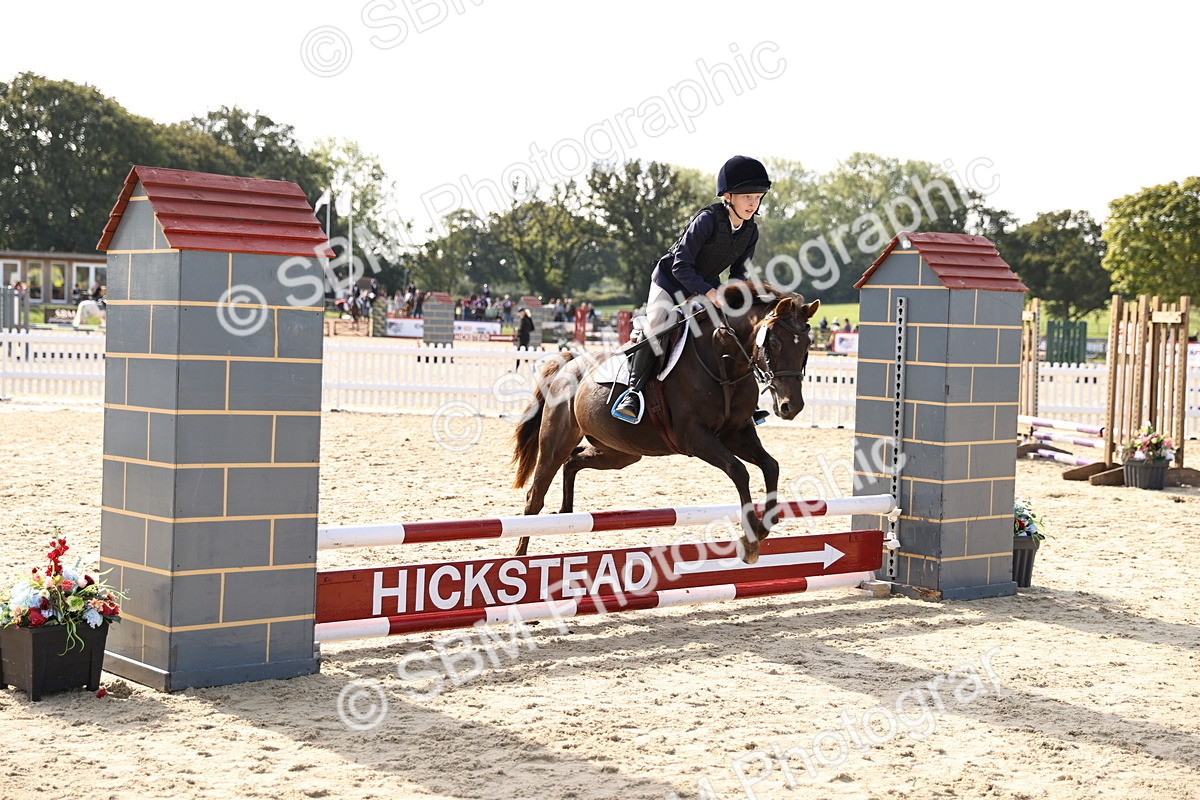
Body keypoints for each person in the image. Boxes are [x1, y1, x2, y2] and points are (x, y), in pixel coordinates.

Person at [611, 155, 771, 424]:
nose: (753, 203)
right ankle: (633, 392)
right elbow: (681, 266)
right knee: (656, 325)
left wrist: (735, 298)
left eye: (757, 197)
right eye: (747, 197)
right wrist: (709, 293)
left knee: (733, 326)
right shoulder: (707, 220)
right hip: (670, 280)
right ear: (728, 196)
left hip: (705, 283)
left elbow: (739, 274)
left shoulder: (750, 231)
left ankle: (743, 400)